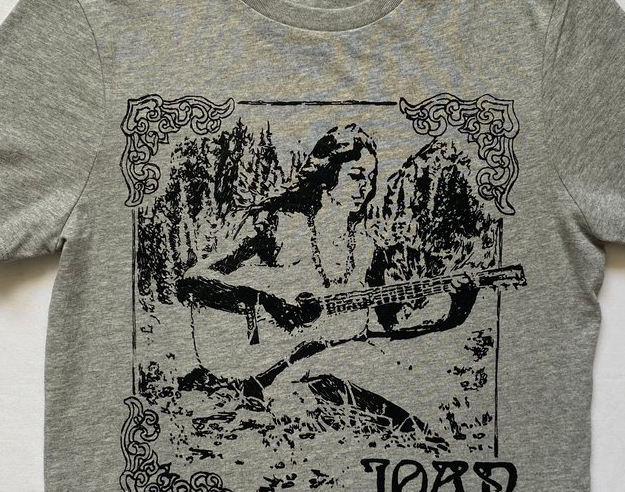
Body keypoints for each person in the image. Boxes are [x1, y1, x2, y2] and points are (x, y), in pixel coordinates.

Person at [175, 124, 480, 434]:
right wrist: (265, 302)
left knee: (415, 425)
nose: (365, 187)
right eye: (356, 176)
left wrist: (455, 312)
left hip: (327, 371)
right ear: (327, 175)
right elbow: (192, 281)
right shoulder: (276, 224)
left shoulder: (365, 248)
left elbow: (388, 326)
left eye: (371, 178)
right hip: (260, 364)